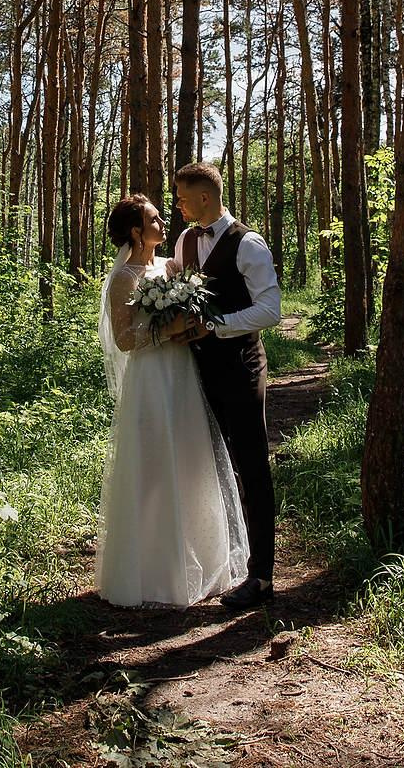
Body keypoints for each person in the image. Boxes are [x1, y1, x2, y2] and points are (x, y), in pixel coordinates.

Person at [95, 194, 249, 607]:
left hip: (181, 374)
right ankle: (152, 569)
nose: (163, 223)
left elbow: (198, 306)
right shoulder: (124, 278)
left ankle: (198, 558)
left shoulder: (171, 266)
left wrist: (189, 323)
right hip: (150, 379)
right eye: (154, 219)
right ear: (136, 230)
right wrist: (167, 331)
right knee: (153, 467)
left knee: (190, 461)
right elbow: (125, 340)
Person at [169, 161, 282, 609]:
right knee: (210, 465)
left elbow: (270, 310)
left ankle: (263, 577)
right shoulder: (184, 239)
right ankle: (220, 562)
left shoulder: (248, 243)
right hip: (197, 370)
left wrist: (216, 326)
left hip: (241, 367)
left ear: (204, 197)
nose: (177, 204)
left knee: (251, 464)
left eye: (181, 197)